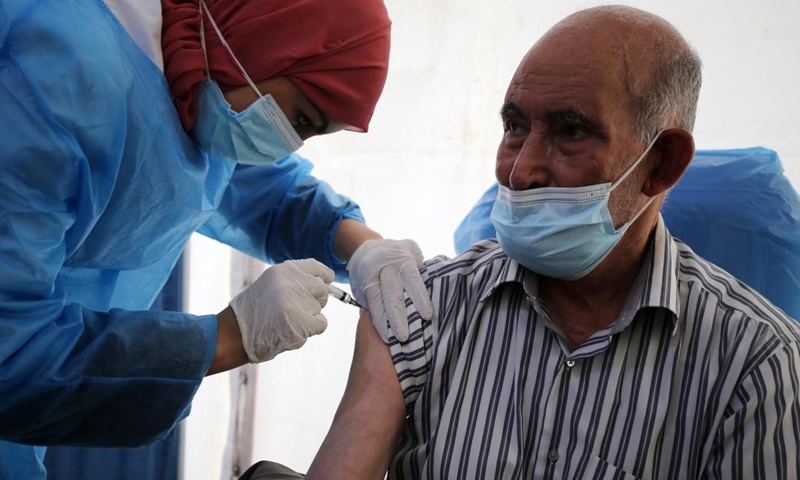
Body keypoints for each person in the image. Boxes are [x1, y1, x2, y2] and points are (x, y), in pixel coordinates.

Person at [296, 5, 800, 479]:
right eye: (514, 126)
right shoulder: (422, 307)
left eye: (571, 132)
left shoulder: (757, 362)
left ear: (660, 163)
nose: (520, 170)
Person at [0, 0, 433, 477]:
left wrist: (365, 248)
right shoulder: (54, 77)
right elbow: (10, 356)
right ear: (265, 41)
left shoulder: (203, 76)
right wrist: (227, 336)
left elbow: (268, 191)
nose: (289, 143)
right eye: (302, 119)